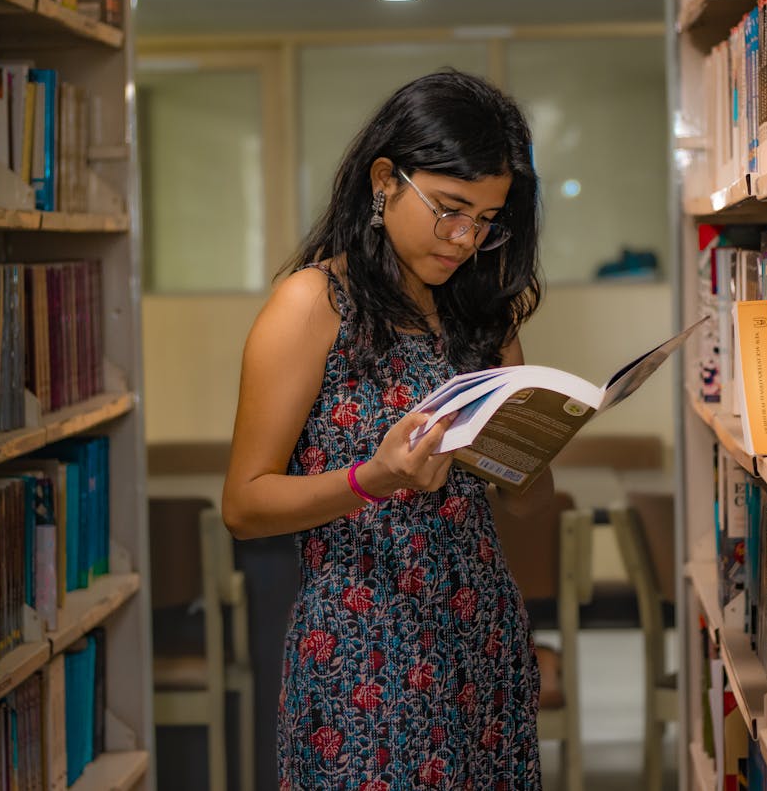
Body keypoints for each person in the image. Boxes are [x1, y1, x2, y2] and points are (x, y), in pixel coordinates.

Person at [222, 69, 555, 789]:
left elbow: (528, 501)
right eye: (451, 209)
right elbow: (243, 505)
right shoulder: (314, 304)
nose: (466, 238)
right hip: (365, 651)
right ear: (385, 180)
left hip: (482, 639)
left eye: (487, 219)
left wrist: (532, 444)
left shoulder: (482, 317)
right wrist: (373, 479)